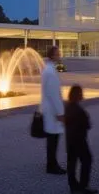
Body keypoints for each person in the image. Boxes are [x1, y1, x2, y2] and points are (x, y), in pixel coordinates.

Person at [65, 85, 98, 194]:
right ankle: (83, 186)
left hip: (69, 139)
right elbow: (87, 125)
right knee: (86, 160)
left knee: (72, 162)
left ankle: (73, 186)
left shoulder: (68, 107)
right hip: (79, 140)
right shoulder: (80, 111)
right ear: (78, 95)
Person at [41, 46, 66, 175]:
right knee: (53, 140)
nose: (59, 55)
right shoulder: (50, 72)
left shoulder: (48, 69)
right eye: (58, 53)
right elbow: (54, 95)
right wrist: (60, 113)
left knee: (52, 139)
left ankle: (52, 163)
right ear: (52, 56)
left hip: (50, 110)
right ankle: (51, 166)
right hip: (53, 112)